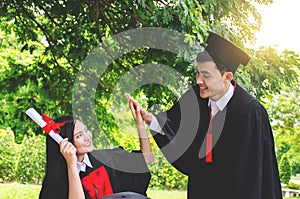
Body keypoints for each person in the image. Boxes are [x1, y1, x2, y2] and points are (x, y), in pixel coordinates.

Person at [128, 31, 283, 199]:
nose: (198, 80)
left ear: (227, 77)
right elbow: (174, 127)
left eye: (206, 75)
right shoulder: (196, 98)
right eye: (198, 73)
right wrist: (149, 118)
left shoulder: (249, 113)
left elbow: (253, 177)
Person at [38, 105, 153, 199]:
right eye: (79, 135)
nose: (87, 137)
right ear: (65, 143)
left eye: (86, 130)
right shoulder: (55, 182)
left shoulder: (107, 158)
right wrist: (71, 164)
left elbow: (146, 158)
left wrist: (139, 123)